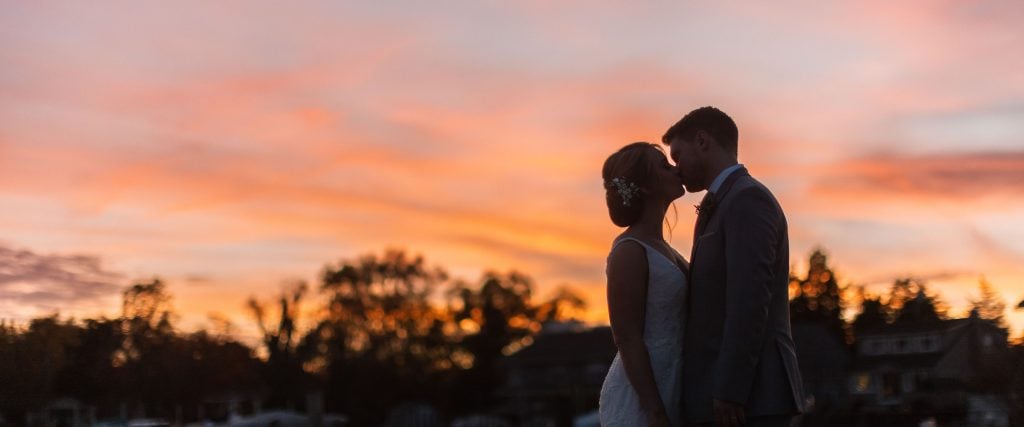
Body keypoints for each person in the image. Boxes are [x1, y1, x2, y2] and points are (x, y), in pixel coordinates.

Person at [663, 107, 805, 427]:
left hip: (751, 398)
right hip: (729, 397)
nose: (677, 168)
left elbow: (749, 301)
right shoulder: (726, 201)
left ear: (702, 141)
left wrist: (729, 389)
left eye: (677, 156)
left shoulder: (747, 200)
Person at [598, 142, 689, 427]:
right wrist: (655, 412)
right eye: (664, 166)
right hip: (643, 400)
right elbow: (627, 337)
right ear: (646, 187)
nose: (676, 169)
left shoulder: (667, 250)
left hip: (675, 382)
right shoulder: (629, 250)